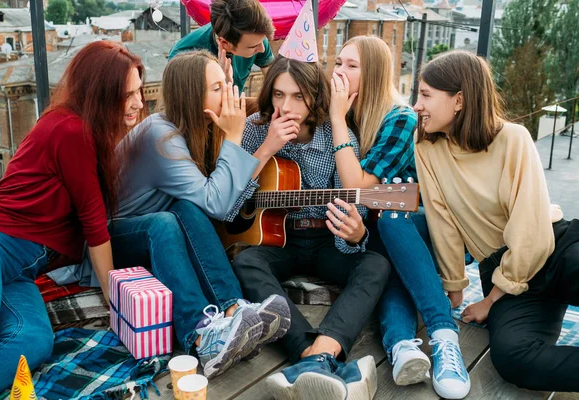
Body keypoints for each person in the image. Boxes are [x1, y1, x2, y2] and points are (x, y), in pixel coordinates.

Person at [0, 41, 145, 397]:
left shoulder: (87, 132)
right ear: (101, 92)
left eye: (140, 91)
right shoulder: (71, 130)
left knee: (34, 342)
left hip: (20, 271)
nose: (139, 102)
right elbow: (93, 222)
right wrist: (116, 302)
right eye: (128, 93)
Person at [110, 50, 290, 379]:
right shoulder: (160, 137)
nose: (230, 94)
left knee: (184, 208)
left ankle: (234, 309)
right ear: (194, 95)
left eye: (227, 84)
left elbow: (216, 199)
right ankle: (200, 335)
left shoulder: (193, 129)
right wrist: (235, 137)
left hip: (157, 233)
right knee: (168, 220)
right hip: (114, 239)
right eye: (218, 88)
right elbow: (218, 203)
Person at [413, 50, 579, 392]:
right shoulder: (427, 147)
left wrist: (489, 302)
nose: (417, 105)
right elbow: (441, 219)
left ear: (458, 100)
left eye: (426, 95)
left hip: (555, 250)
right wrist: (455, 287)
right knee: (513, 359)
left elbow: (531, 233)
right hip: (505, 275)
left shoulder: (513, 139)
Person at [231, 55, 389, 400]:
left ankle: (321, 350)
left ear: (314, 98)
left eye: (298, 97)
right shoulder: (255, 128)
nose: (286, 106)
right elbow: (230, 205)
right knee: (245, 263)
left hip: (325, 238)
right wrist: (267, 148)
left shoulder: (337, 134)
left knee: (376, 264)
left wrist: (356, 234)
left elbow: (353, 205)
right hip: (277, 238)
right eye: (278, 94)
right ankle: (309, 354)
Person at [329, 36, 469, 399]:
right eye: (338, 63)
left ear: (373, 73)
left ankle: (442, 335)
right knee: (383, 263)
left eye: (351, 66)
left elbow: (356, 187)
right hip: (377, 235)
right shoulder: (354, 115)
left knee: (390, 224)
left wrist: (335, 118)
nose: (340, 72)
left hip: (418, 228)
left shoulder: (400, 118)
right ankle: (402, 347)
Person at [168, 0, 275, 93]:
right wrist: (222, 83)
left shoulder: (255, 38)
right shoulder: (183, 56)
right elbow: (189, 110)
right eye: (253, 47)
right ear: (224, 43)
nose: (262, 49)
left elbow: (273, 82)